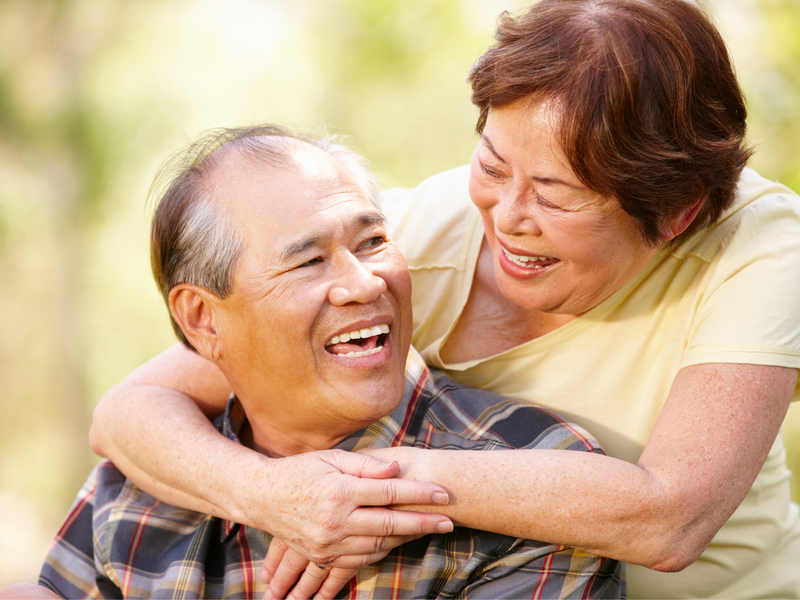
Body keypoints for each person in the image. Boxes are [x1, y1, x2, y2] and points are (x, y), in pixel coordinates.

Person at [89, 0, 800, 598]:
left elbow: (669, 518)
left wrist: (360, 492)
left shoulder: (763, 251)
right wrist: (271, 495)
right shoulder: (409, 240)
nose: (507, 215)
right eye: (492, 163)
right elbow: (127, 413)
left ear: (674, 213)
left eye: (555, 193)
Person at [4, 126, 622, 600]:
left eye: (373, 242)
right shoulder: (141, 485)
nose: (364, 283)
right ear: (201, 318)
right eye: (308, 262)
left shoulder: (542, 487)